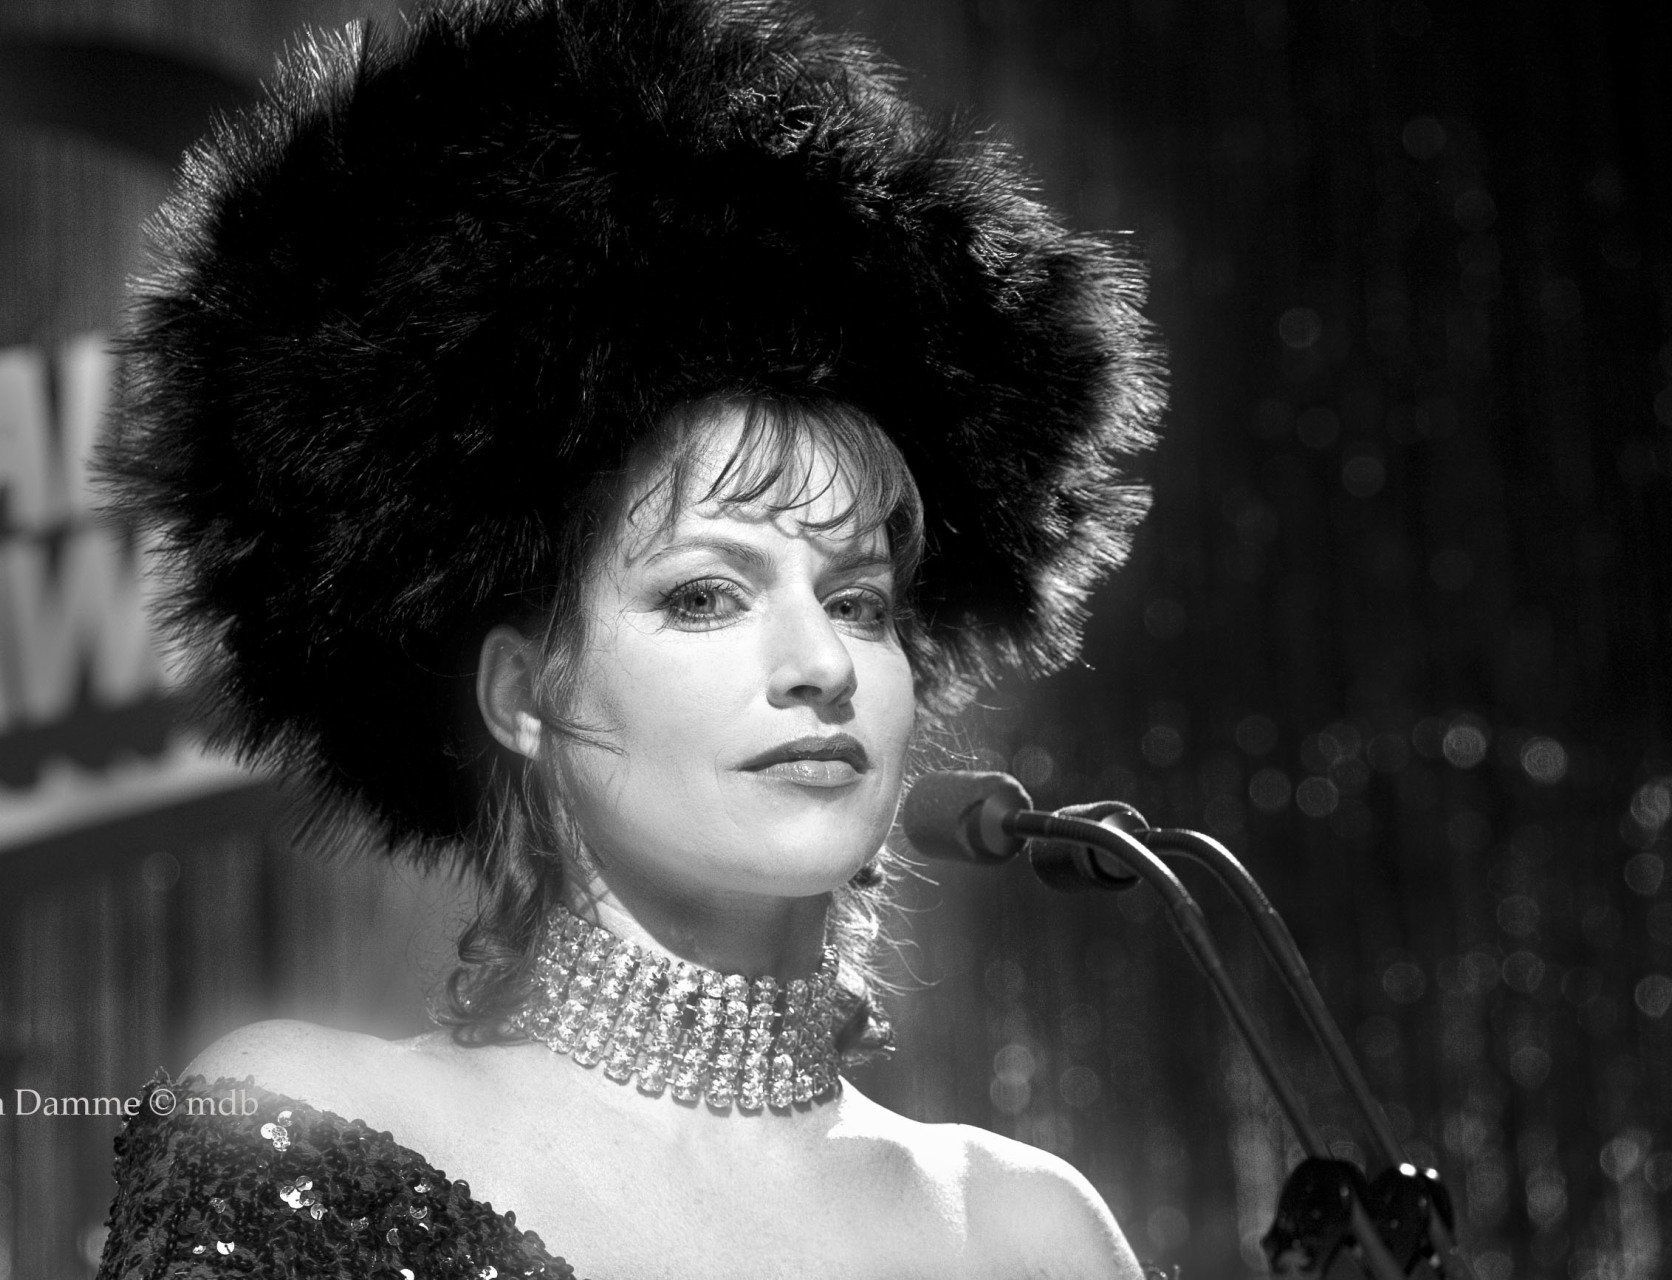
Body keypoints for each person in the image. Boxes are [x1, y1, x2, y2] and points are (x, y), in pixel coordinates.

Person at [92, 0, 1166, 1276]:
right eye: (705, 596)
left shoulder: (1028, 1226)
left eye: (860, 601)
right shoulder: (302, 1131)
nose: (823, 664)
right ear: (523, 692)